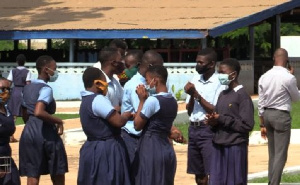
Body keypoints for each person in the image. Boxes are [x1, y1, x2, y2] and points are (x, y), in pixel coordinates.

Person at [121, 50, 183, 165]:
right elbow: (143, 118)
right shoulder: (135, 86)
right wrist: (170, 131)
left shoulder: (158, 81)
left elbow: (166, 103)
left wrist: (172, 129)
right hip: (135, 138)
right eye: (160, 66)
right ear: (151, 66)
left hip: (155, 138)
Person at [77, 67, 132, 185]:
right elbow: (118, 122)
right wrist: (127, 115)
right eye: (104, 82)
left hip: (92, 147)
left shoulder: (86, 100)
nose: (106, 86)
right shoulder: (98, 99)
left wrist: (117, 109)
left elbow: (107, 112)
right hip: (106, 150)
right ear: (97, 83)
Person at [19, 55, 68, 185]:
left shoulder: (26, 88)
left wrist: (31, 125)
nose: (56, 72)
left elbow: (25, 113)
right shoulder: (46, 88)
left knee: (33, 173)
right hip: (45, 132)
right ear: (46, 70)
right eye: (54, 68)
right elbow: (39, 111)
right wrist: (58, 121)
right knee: (57, 170)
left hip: (29, 131)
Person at [206, 58, 254, 185]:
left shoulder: (242, 96)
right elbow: (218, 116)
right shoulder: (223, 94)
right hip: (219, 145)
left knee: (234, 181)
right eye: (218, 72)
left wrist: (221, 119)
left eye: (222, 72)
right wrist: (212, 122)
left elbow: (247, 124)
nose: (220, 75)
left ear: (234, 74)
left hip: (235, 147)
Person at [258, 48, 300, 185]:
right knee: (281, 154)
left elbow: (261, 102)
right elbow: (295, 98)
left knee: (273, 153)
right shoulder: (289, 77)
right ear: (286, 60)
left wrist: (262, 123)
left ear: (274, 58)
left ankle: (271, 180)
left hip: (267, 114)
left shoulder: (264, 76)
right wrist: (293, 78)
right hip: (281, 115)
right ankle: (274, 183)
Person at [184, 48, 225, 185]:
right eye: (197, 62)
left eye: (201, 63)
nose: (198, 65)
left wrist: (196, 95)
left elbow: (214, 109)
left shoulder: (219, 82)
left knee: (212, 170)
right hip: (193, 129)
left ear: (211, 64)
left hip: (208, 130)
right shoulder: (195, 79)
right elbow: (189, 111)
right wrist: (190, 95)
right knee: (198, 173)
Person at [133, 65, 178, 185]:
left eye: (147, 80)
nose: (146, 84)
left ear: (155, 80)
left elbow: (137, 125)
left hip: (151, 146)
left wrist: (142, 100)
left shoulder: (152, 101)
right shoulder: (173, 100)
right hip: (166, 146)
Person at [0, 77, 20, 185]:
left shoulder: (7, 110)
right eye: (2, 89)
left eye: (8, 89)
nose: (5, 92)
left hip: (5, 157)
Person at [7, 54, 32, 143]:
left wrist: (7, 92)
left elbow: (9, 83)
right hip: (24, 92)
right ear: (24, 62)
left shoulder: (12, 71)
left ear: (17, 62)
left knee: (13, 115)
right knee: (26, 114)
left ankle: (11, 136)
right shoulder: (27, 72)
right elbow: (28, 83)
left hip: (15, 92)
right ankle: (29, 135)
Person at [98, 47, 125, 113]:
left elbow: (124, 102)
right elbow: (104, 110)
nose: (123, 62)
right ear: (114, 63)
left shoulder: (115, 81)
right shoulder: (99, 83)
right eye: (121, 59)